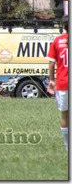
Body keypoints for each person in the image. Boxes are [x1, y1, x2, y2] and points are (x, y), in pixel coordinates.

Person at [46, 15, 69, 151]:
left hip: (62, 83)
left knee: (64, 114)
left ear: (63, 26)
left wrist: (51, 80)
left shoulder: (57, 41)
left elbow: (51, 63)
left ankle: (67, 146)